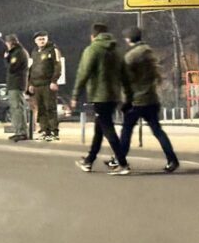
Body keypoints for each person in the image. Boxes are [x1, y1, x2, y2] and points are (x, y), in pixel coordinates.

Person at [107, 26, 179, 173]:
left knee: (126, 131)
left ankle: (119, 160)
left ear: (128, 39)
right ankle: (172, 160)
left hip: (136, 100)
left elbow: (126, 81)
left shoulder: (131, 57)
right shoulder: (150, 52)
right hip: (152, 99)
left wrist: (125, 101)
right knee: (158, 131)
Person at [71, 23, 130, 175]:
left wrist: (75, 95)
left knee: (107, 128)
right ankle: (89, 161)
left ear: (93, 36)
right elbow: (125, 74)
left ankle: (122, 163)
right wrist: (128, 94)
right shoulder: (117, 50)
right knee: (100, 129)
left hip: (99, 95)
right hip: (114, 95)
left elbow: (83, 73)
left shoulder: (92, 49)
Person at [28, 31, 62, 141]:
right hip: (37, 85)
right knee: (41, 109)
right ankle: (45, 131)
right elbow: (31, 69)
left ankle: (54, 132)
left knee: (50, 108)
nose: (41, 41)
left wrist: (54, 81)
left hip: (48, 84)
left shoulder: (53, 50)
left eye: (43, 39)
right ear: (35, 41)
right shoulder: (34, 52)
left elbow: (57, 66)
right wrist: (30, 83)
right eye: (39, 39)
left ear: (47, 39)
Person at [3, 34, 29, 142]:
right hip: (14, 84)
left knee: (17, 108)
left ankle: (22, 132)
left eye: (8, 43)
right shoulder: (17, 52)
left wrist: (6, 57)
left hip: (17, 84)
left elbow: (12, 68)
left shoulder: (18, 53)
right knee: (15, 108)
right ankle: (18, 131)